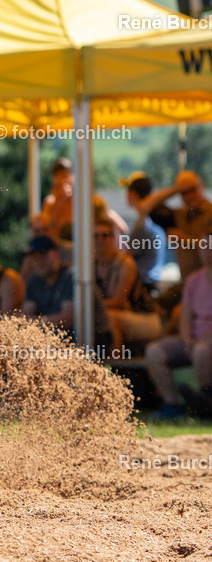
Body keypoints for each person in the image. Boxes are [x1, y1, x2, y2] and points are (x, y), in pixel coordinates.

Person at [145, 234, 212, 420]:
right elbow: (185, 316)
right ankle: (172, 405)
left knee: (201, 351)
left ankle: (206, 402)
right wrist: (186, 339)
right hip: (194, 338)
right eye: (205, 246)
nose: (208, 252)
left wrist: (202, 341)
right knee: (154, 351)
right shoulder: (193, 280)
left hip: (207, 341)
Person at [93, 217, 162, 354]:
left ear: (113, 238)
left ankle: (113, 369)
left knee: (108, 317)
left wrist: (90, 307)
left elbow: (118, 302)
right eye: (95, 236)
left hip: (144, 318)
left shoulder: (125, 263)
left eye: (105, 235)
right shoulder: (90, 266)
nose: (100, 240)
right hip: (114, 314)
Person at [137, 170, 212, 281]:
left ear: (202, 186)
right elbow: (143, 208)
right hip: (187, 284)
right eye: (184, 193)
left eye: (193, 190)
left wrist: (185, 239)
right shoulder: (180, 215)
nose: (189, 196)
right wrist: (175, 189)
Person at [120, 171, 167, 294]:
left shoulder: (143, 224)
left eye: (127, 191)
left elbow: (126, 255)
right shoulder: (151, 220)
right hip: (151, 281)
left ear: (133, 194)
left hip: (143, 285)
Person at [22, 236, 74, 335]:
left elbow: (67, 319)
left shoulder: (71, 276)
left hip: (85, 343)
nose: (39, 262)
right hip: (52, 341)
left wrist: (36, 321)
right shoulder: (34, 280)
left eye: (43, 256)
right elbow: (26, 316)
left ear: (57, 254)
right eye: (35, 258)